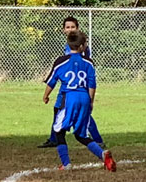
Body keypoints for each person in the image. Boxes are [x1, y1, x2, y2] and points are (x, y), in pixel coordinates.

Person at [43, 30, 116, 171]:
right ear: (82, 46)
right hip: (84, 98)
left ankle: (66, 164)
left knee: (58, 131)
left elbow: (51, 82)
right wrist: (91, 101)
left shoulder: (61, 61)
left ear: (68, 44)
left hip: (68, 98)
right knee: (81, 134)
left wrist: (46, 96)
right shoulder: (88, 62)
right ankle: (102, 154)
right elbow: (92, 84)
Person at [38, 17, 105, 148]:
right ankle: (54, 138)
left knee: (82, 113)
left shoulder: (80, 46)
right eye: (67, 27)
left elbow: (80, 65)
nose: (69, 29)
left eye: (72, 27)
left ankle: (97, 139)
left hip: (76, 86)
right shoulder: (69, 45)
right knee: (58, 109)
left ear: (77, 28)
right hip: (67, 86)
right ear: (63, 30)